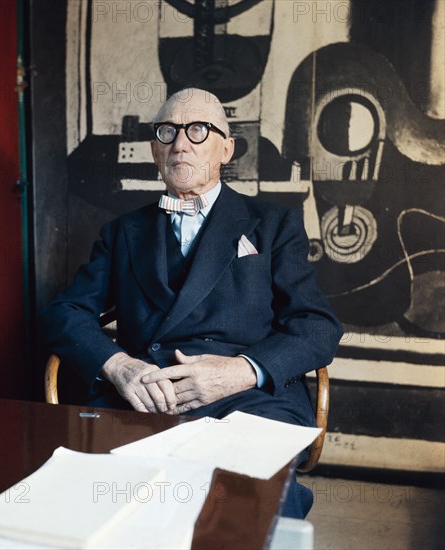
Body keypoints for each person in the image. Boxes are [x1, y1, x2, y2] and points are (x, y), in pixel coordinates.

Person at [41, 88, 343, 518]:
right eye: (168, 131)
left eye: (198, 130)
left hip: (249, 400)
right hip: (146, 400)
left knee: (250, 504)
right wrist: (120, 366)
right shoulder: (122, 232)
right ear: (154, 149)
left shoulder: (274, 225)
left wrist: (241, 371)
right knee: (91, 501)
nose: (181, 143)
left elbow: (318, 327)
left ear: (226, 148)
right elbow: (64, 313)